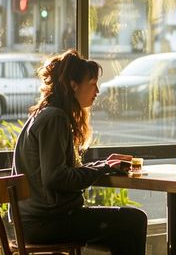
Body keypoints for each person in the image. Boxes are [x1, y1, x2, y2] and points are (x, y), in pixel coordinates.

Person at [12, 49, 147, 255]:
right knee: (135, 220)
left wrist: (103, 165)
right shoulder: (55, 118)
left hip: (37, 222)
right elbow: (56, 177)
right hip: (47, 222)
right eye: (92, 83)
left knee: (125, 234)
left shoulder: (46, 114)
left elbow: (59, 172)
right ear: (73, 86)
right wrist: (102, 168)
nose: (97, 91)